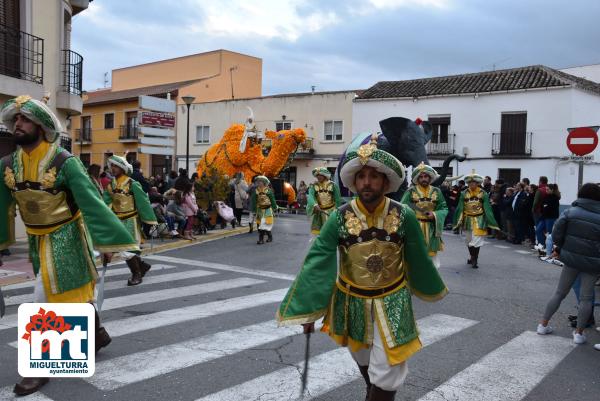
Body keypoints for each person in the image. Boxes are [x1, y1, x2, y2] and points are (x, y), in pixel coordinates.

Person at [277, 135, 447, 401]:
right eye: (361, 176)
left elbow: (417, 256)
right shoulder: (339, 217)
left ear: (386, 181)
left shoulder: (404, 216)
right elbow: (318, 259)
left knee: (387, 375)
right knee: (365, 361)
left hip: (394, 302)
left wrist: (429, 284)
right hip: (351, 301)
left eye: (374, 176)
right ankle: (371, 390)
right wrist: (308, 311)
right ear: (354, 181)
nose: (367, 182)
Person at [0, 95, 139, 396]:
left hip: (66, 237)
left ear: (41, 127)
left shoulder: (65, 162)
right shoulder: (7, 165)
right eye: (15, 120)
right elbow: (1, 208)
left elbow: (92, 203)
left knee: (44, 300)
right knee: (71, 297)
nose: (18, 124)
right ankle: (97, 334)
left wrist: (108, 242)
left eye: (24, 120)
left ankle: (36, 369)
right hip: (38, 240)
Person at [536, 183, 600, 346]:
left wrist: (563, 247)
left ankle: (543, 324)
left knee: (559, 293)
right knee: (587, 298)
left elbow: (556, 235)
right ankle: (579, 334)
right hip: (593, 263)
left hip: (570, 259)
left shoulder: (570, 212)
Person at [104, 155, 157, 286]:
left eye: (116, 166)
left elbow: (143, 202)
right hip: (117, 222)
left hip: (131, 221)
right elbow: (105, 203)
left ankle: (137, 274)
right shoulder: (110, 185)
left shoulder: (132, 184)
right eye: (112, 166)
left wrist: (149, 220)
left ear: (122, 168)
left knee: (127, 250)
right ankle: (142, 266)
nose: (113, 169)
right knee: (124, 249)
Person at [400, 162, 448, 268]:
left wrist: (435, 214)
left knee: (432, 259)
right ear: (417, 179)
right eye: (421, 177)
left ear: (430, 177)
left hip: (431, 228)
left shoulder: (437, 191)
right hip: (416, 227)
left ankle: (433, 281)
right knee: (415, 257)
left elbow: (444, 208)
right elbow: (403, 208)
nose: (423, 179)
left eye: (426, 176)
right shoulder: (410, 191)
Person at [453, 170, 499, 269]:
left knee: (476, 241)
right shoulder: (463, 193)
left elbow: (487, 208)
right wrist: (458, 220)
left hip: (479, 219)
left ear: (478, 183)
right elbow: (460, 207)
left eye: (474, 182)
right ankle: (472, 256)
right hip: (467, 220)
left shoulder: (483, 193)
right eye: (470, 182)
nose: (471, 184)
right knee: (468, 241)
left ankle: (475, 259)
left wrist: (490, 220)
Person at [306, 167, 341, 235]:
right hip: (319, 211)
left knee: (331, 231)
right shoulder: (313, 186)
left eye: (320, 175)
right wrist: (315, 205)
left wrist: (337, 211)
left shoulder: (333, 185)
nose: (318, 177)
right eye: (317, 175)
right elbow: (310, 196)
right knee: (320, 233)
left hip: (331, 212)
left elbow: (337, 199)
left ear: (325, 175)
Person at [251, 176, 277, 244]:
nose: (259, 183)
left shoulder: (268, 191)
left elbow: (272, 200)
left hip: (267, 210)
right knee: (261, 225)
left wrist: (274, 208)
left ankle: (262, 239)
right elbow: (254, 201)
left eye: (260, 182)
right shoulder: (256, 191)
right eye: (258, 182)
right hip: (260, 210)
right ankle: (268, 237)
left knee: (265, 225)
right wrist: (254, 210)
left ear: (264, 183)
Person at [536, 183, 560, 256]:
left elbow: (549, 207)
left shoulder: (555, 198)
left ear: (552, 190)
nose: (546, 191)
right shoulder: (546, 197)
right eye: (546, 189)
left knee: (550, 234)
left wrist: (545, 206)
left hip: (551, 217)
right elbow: (543, 206)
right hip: (544, 217)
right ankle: (542, 245)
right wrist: (544, 206)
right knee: (538, 230)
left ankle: (550, 248)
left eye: (548, 189)